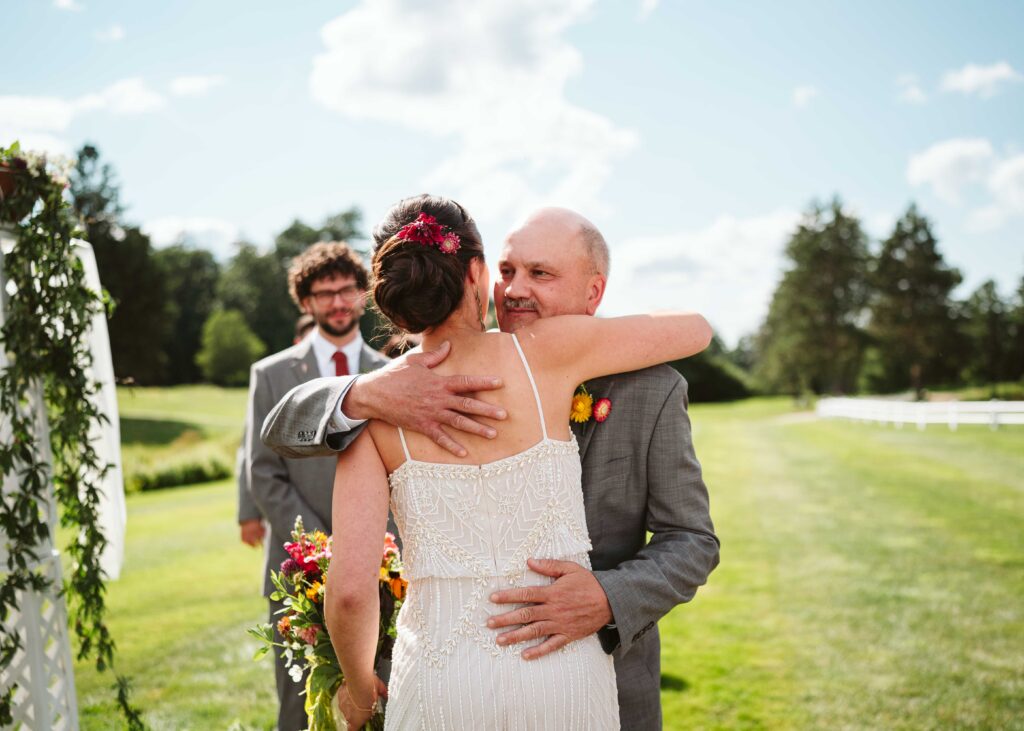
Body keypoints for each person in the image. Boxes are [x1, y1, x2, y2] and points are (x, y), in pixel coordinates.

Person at [272, 195, 714, 729]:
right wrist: (362, 393)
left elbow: (692, 541)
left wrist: (607, 597)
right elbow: (695, 327)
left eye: (541, 273)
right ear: (478, 274)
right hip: (552, 682)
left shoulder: (649, 387)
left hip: (532, 674)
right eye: (508, 271)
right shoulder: (385, 394)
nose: (518, 288)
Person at [245, 242, 390, 731]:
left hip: (384, 567)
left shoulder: (394, 369)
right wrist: (320, 549)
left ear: (363, 294)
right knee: (300, 702)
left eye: (347, 289)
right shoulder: (270, 375)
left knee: (384, 695)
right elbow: (263, 473)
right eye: (323, 293)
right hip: (299, 564)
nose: (337, 302)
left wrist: (375, 547)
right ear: (305, 302)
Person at [238, 314, 318, 549]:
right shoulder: (276, 379)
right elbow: (251, 453)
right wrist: (247, 513)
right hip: (290, 516)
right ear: (298, 342)